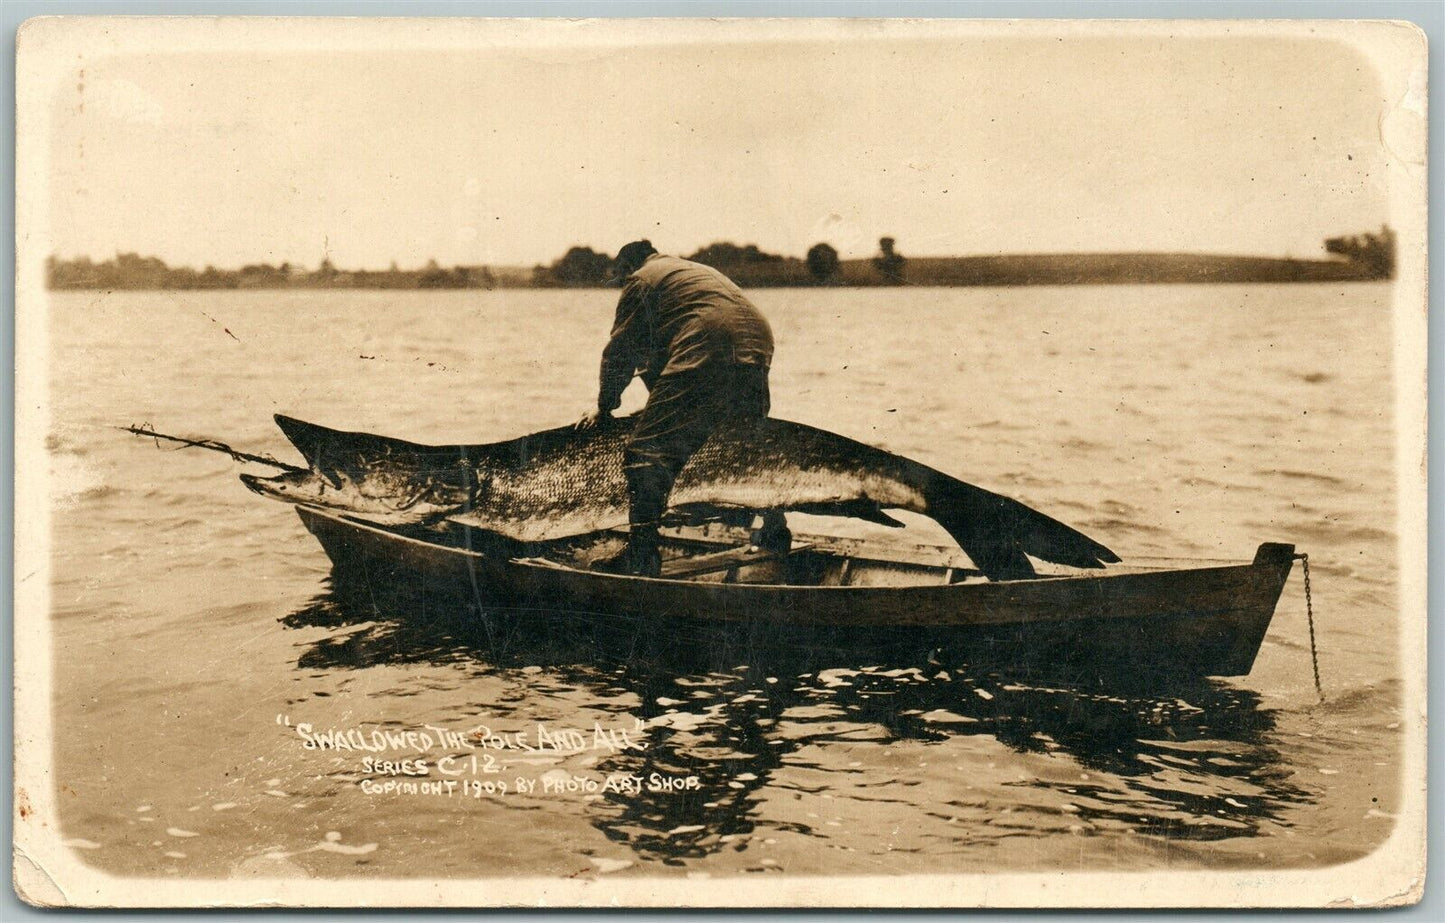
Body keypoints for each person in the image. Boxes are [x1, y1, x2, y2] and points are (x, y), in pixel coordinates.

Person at [576, 240, 774, 577]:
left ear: (626, 267)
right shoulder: (685, 273)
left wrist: (604, 408)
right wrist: (655, 413)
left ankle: (641, 558)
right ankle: (774, 532)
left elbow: (619, 353)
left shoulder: (640, 279)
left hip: (711, 337)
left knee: (644, 452)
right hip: (756, 340)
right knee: (744, 448)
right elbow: (667, 376)